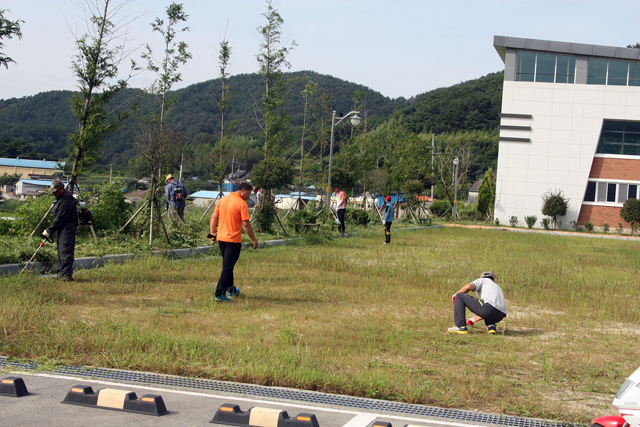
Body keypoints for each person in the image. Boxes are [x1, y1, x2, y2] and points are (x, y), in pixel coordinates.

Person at [209, 182, 259, 302]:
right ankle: (219, 293)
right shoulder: (242, 203)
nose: (249, 196)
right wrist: (253, 239)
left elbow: (213, 217)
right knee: (227, 266)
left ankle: (231, 290)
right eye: (249, 193)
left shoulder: (223, 200)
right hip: (233, 240)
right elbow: (246, 224)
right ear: (243, 190)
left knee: (228, 265)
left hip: (221, 238)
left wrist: (212, 234)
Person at [42, 179, 78, 282]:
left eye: (56, 191)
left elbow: (60, 218)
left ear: (62, 188)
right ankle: (62, 272)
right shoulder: (60, 197)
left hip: (67, 229)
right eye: (53, 192)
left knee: (66, 251)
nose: (54, 193)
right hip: (62, 228)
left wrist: (49, 230)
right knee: (61, 251)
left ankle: (67, 275)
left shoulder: (66, 200)